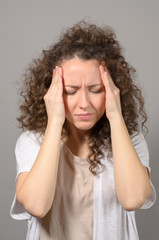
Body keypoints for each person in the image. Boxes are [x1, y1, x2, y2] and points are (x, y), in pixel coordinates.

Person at [10, 20, 156, 240]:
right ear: (53, 92)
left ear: (112, 91)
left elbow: (133, 199)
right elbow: (36, 206)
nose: (84, 103)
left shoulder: (131, 141)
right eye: (71, 91)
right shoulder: (32, 142)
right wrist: (54, 122)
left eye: (96, 90)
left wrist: (115, 115)